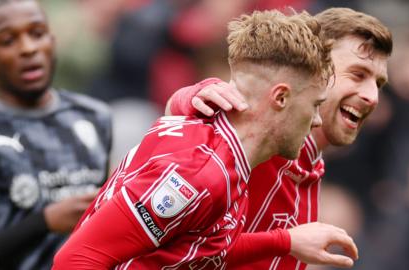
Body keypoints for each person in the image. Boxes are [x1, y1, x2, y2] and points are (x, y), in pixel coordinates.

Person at [53, 9, 357, 269]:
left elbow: (198, 247)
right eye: (315, 105)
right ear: (280, 98)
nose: (317, 119)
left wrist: (285, 240)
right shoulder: (200, 173)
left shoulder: (228, 155)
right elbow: (76, 259)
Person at [167, 7, 392, 269]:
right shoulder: (258, 130)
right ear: (317, 68)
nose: (372, 97)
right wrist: (189, 97)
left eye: (378, 84)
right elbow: (179, 244)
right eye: (358, 75)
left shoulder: (310, 167)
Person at [0, 1, 112, 269]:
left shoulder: (94, 116)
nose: (29, 48)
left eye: (38, 33)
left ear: (53, 41)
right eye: (8, 41)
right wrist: (44, 222)